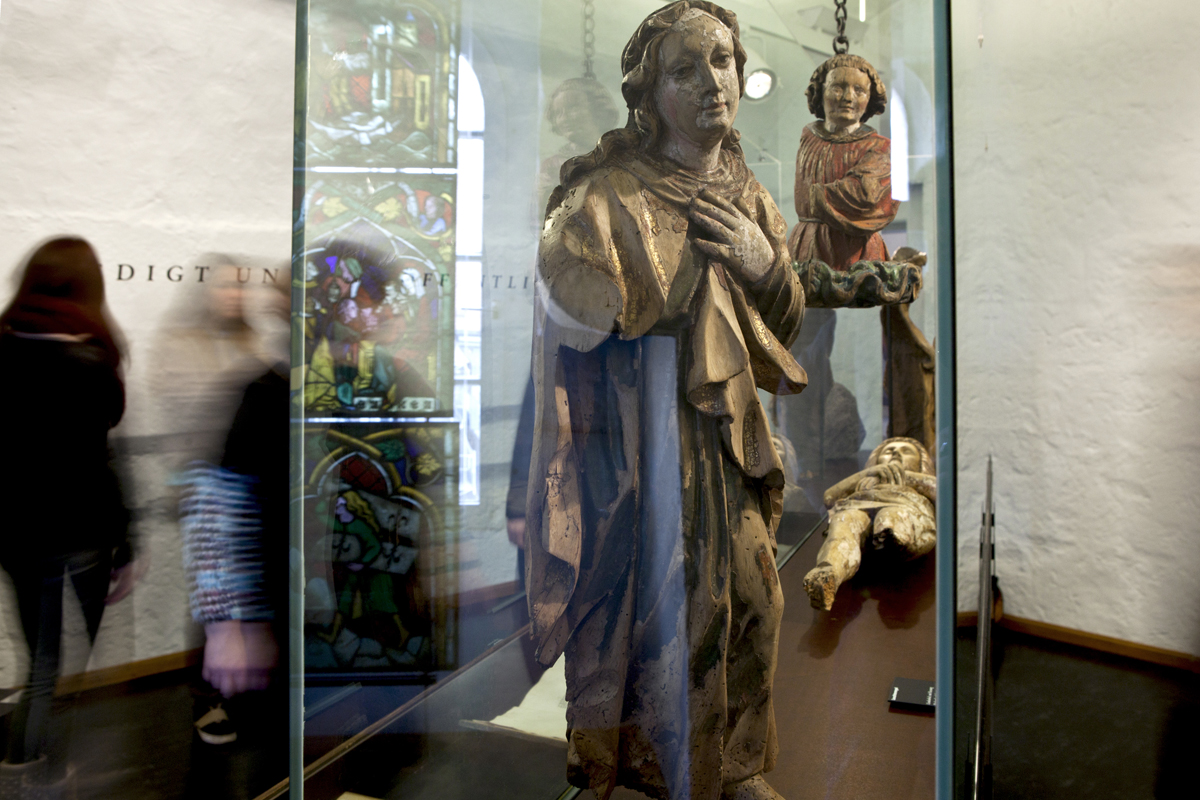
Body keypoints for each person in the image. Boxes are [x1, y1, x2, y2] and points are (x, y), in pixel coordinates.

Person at [527, 4, 806, 799]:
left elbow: (786, 323)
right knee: (635, 614)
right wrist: (640, 301)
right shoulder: (604, 196)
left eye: (722, 62)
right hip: (637, 449)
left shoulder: (748, 194)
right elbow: (575, 301)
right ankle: (614, 769)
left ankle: (735, 763)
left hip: (729, 444)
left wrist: (763, 267)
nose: (714, 82)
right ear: (649, 96)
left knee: (754, 596)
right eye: (686, 69)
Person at [0, 237, 139, 797]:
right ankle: (35, 769)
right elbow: (100, 463)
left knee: (40, 658)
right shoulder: (89, 363)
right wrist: (126, 545)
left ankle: (27, 762)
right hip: (77, 535)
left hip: (14, 537)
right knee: (65, 664)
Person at [802, 437, 936, 611]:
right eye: (888, 451)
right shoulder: (867, 478)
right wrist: (869, 473)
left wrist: (900, 476)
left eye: (906, 451)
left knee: (892, 518)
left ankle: (892, 542)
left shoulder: (917, 482)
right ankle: (829, 574)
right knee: (843, 524)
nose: (895, 453)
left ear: (921, 462)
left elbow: (938, 488)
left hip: (904, 504)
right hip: (858, 505)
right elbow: (829, 496)